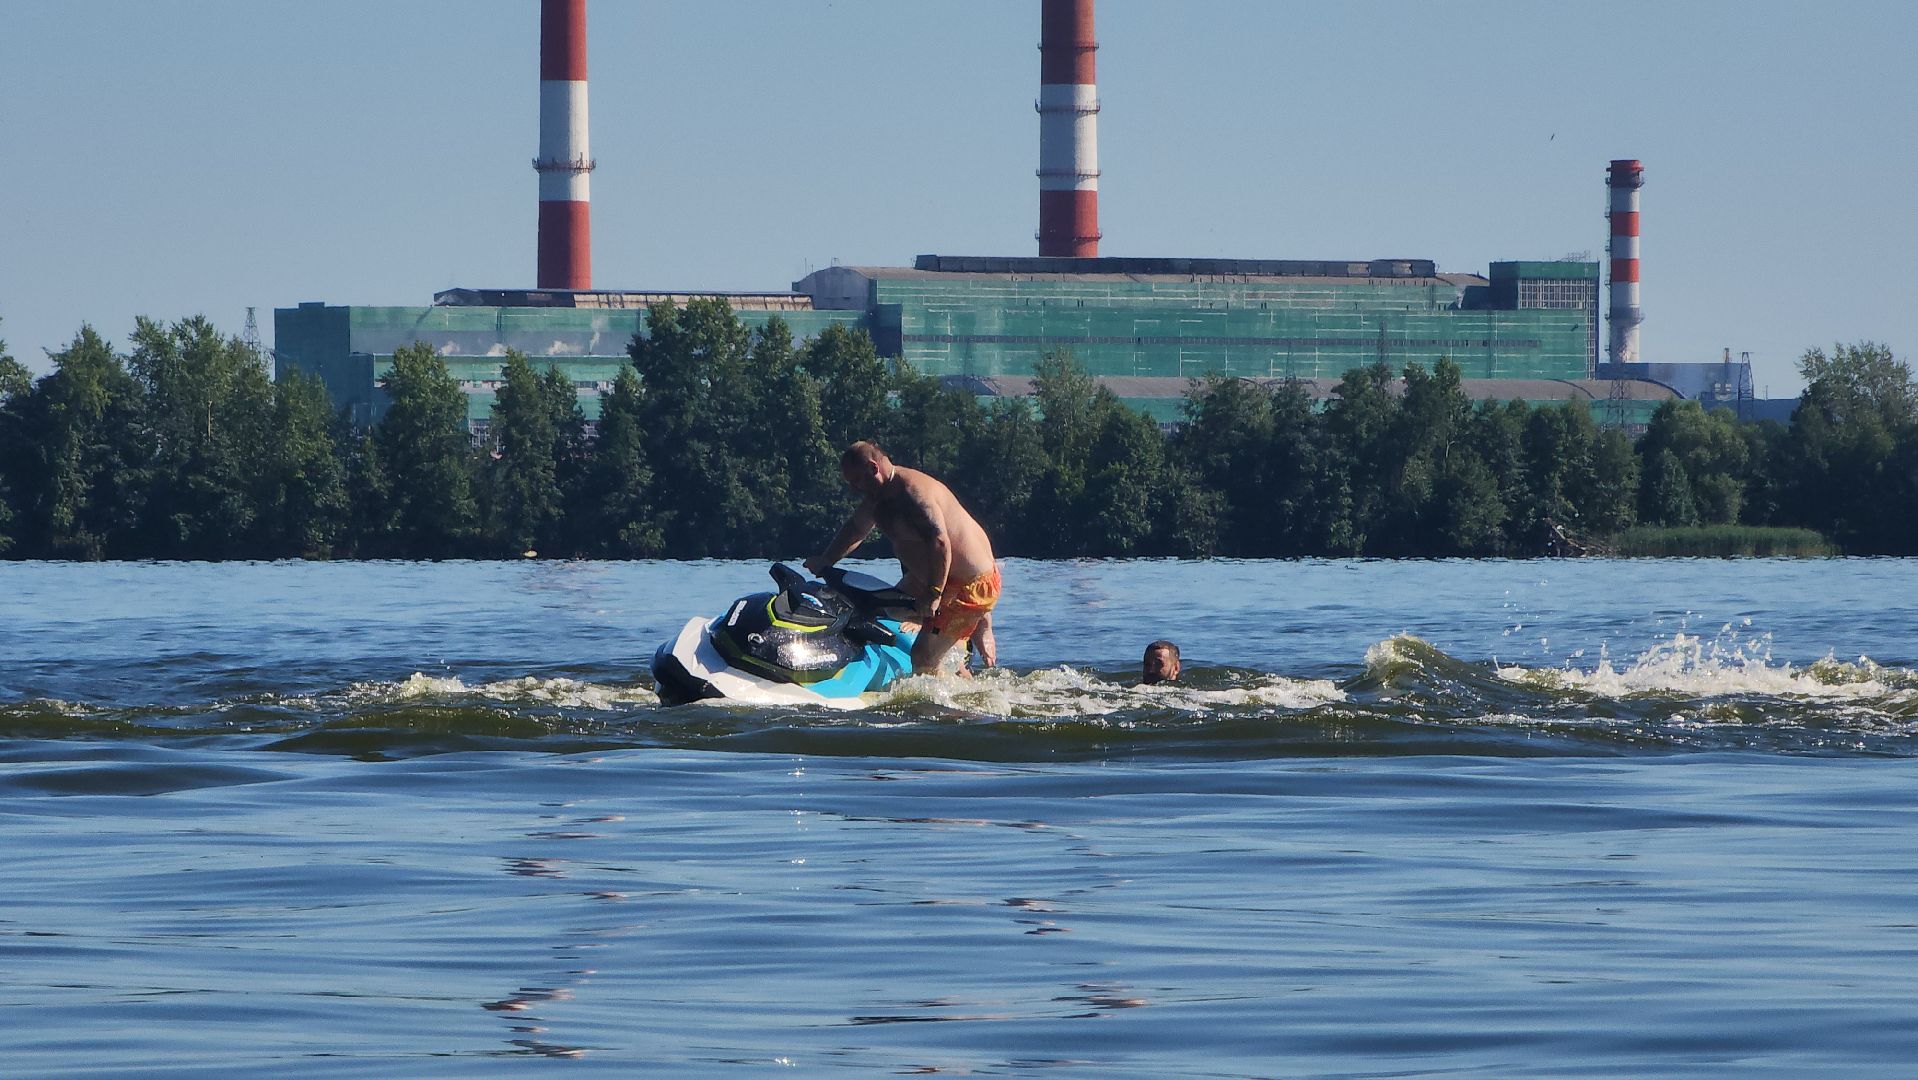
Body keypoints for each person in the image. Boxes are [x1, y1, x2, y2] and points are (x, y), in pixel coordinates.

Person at [806, 441, 1000, 675]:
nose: (855, 489)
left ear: (873, 467)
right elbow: (855, 530)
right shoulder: (878, 498)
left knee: (922, 658)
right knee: (880, 608)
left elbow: (940, 542)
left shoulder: (912, 492)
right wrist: (826, 560)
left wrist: (934, 594)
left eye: (856, 480)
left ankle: (962, 701)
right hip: (932, 577)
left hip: (966, 587)